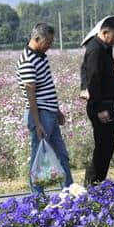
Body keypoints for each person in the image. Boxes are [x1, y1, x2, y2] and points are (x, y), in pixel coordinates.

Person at [16, 23, 73, 194]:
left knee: (62, 153)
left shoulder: (41, 56)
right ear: (36, 39)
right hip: (39, 114)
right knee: (38, 156)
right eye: (48, 41)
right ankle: (37, 196)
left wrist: (56, 110)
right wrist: (37, 122)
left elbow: (46, 88)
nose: (50, 45)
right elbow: (30, 95)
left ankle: (68, 191)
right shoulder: (27, 60)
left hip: (49, 112)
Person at [81, 16, 114, 186]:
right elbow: (92, 79)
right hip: (101, 105)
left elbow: (83, 71)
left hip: (108, 102)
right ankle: (93, 184)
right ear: (105, 32)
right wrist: (99, 108)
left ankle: (97, 182)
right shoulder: (96, 49)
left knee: (106, 147)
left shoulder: (104, 48)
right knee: (103, 147)